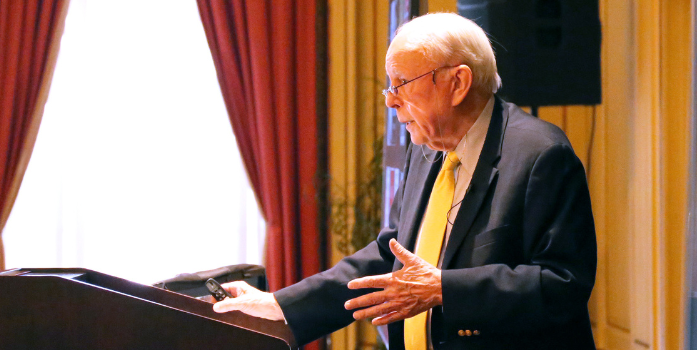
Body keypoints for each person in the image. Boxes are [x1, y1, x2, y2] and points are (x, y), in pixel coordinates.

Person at [214, 12, 597, 350]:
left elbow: (563, 284)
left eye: (400, 83)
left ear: (457, 83)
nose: (390, 100)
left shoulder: (542, 155)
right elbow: (390, 255)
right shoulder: (426, 147)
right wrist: (280, 305)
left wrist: (444, 289)